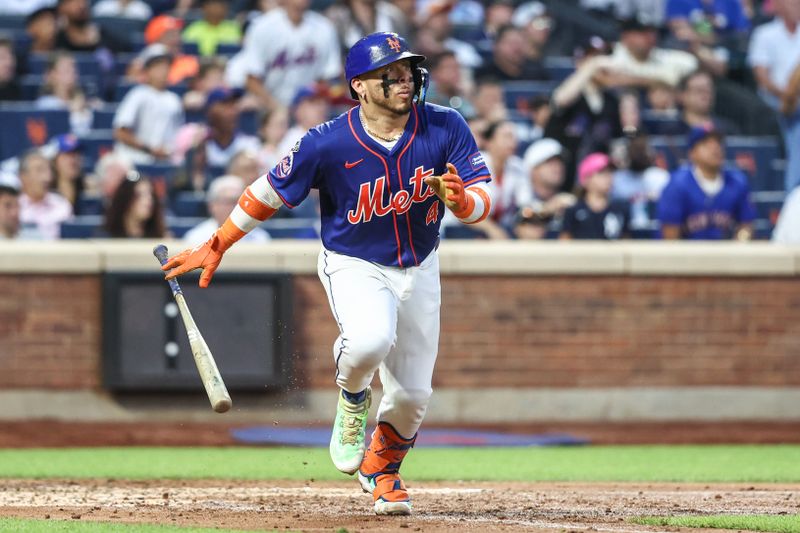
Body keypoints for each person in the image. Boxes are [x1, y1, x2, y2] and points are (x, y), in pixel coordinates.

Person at [160, 32, 492, 516]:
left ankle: (381, 471)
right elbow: (267, 192)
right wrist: (219, 242)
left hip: (420, 264)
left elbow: (483, 195)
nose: (405, 81)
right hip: (354, 262)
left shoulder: (444, 125)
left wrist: (464, 202)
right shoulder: (328, 140)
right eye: (390, 74)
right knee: (368, 341)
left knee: (414, 394)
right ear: (359, 85)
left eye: (407, 72)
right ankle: (352, 394)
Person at [546, 36, 623, 191]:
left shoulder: (612, 101)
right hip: (563, 182)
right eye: (594, 57)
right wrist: (591, 66)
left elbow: (616, 142)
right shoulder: (570, 92)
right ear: (579, 61)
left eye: (604, 57)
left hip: (595, 184)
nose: (601, 63)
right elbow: (560, 100)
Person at [235, 0, 341, 110]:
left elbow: (327, 78)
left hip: (307, 107)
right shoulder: (262, 27)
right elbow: (252, 79)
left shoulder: (324, 27)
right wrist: (276, 108)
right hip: (269, 106)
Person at [658, 125, 755, 240]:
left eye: (718, 143)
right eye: (706, 143)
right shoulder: (676, 185)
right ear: (692, 153)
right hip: (686, 255)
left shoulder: (737, 182)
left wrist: (739, 244)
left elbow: (747, 226)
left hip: (727, 255)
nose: (715, 147)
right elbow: (670, 238)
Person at [749, 0, 800, 192]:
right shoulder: (765, 33)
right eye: (792, 2)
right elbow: (762, 77)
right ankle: (793, 190)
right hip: (771, 99)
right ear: (778, 4)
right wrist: (787, 95)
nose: (797, 5)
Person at [113, 44, 185, 165]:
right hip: (135, 161)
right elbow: (120, 132)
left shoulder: (174, 100)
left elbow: (178, 137)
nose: (163, 70)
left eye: (166, 65)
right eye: (157, 66)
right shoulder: (138, 94)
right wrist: (149, 149)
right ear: (147, 70)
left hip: (164, 162)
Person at [611, 17, 699, 88]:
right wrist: (662, 81)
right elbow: (604, 76)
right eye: (642, 33)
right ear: (626, 37)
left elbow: (691, 62)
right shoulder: (612, 53)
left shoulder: (659, 55)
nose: (650, 37)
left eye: (652, 32)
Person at [514, 138, 576, 239]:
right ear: (533, 169)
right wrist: (546, 209)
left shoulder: (567, 202)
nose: (558, 167)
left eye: (560, 162)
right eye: (549, 162)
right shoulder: (518, 197)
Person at [184, 175, 270, 244]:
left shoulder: (260, 238)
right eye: (229, 202)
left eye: (240, 202)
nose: (235, 208)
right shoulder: (195, 239)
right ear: (212, 206)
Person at [561, 152, 630, 240]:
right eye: (601, 173)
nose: (608, 177)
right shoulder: (573, 210)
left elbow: (626, 241)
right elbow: (564, 242)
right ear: (586, 179)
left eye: (610, 172)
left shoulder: (620, 208)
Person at [127, 14, 199, 86]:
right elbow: (132, 82)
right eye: (171, 35)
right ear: (156, 40)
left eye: (178, 34)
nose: (177, 39)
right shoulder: (143, 65)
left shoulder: (190, 61)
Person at [18, 150, 73, 240]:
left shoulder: (61, 205)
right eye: (39, 170)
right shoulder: (13, 207)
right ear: (23, 176)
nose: (46, 178)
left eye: (48, 171)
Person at [35, 52, 94, 136]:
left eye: (73, 68)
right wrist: (73, 108)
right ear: (51, 74)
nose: (72, 72)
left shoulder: (84, 103)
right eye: (66, 69)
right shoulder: (45, 103)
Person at [475, 24, 549, 82]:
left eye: (520, 43)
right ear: (496, 46)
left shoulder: (537, 72)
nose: (516, 48)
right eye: (511, 43)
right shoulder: (483, 74)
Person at [104, 173, 167, 238]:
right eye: (140, 195)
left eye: (150, 194)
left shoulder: (161, 239)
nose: (149, 200)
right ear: (126, 198)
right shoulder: (105, 237)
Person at [277, 85, 332, 155]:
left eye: (324, 102)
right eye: (313, 103)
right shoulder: (292, 142)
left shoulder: (333, 136)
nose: (322, 108)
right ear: (297, 110)